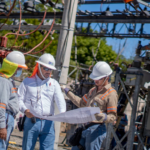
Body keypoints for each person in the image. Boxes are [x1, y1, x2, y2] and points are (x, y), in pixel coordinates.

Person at [62, 61, 118, 150]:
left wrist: (98, 116)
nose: (95, 80)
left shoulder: (111, 94)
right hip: (84, 127)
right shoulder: (92, 90)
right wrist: (67, 92)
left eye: (98, 78)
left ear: (106, 77)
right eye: (95, 78)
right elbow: (81, 103)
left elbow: (113, 117)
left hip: (96, 129)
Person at [17, 53, 66, 150]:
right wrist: (25, 110)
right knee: (28, 148)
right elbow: (19, 99)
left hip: (48, 122)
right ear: (39, 67)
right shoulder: (27, 81)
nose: (49, 71)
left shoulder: (54, 83)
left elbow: (60, 100)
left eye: (50, 69)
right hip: (31, 121)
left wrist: (63, 113)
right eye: (46, 68)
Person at [0, 51, 28, 150]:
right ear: (12, 67)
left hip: (8, 118)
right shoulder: (4, 81)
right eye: (19, 68)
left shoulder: (9, 80)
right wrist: (2, 126)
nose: (19, 71)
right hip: (6, 118)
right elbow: (1, 106)